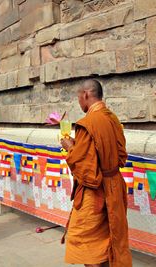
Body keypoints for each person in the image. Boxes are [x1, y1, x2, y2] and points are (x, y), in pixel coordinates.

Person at [60, 79, 132, 267]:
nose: (79, 101)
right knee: (110, 239)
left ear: (85, 95)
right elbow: (120, 154)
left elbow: (86, 170)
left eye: (78, 97)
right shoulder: (113, 119)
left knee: (86, 245)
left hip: (95, 193)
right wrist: (79, 147)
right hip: (115, 186)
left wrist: (70, 148)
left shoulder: (87, 123)